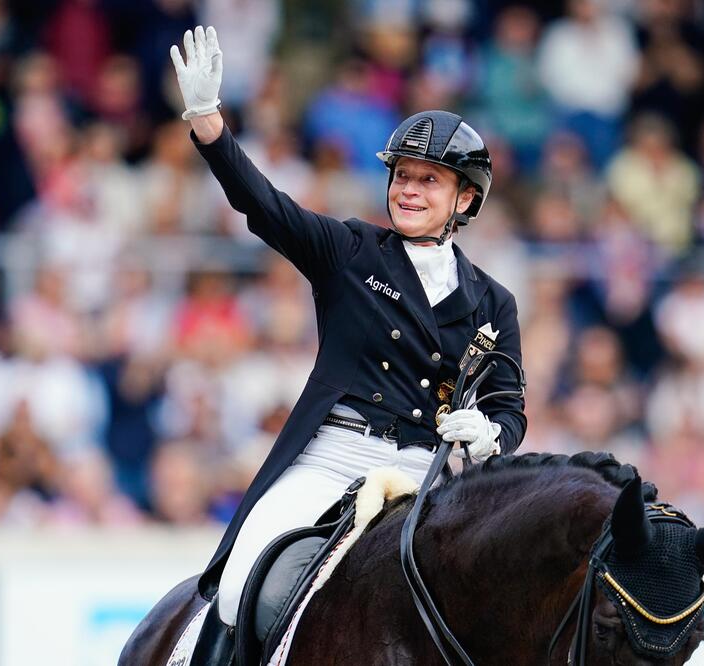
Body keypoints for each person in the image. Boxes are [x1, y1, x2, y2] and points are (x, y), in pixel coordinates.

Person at [171, 26, 527, 663]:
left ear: (465, 199)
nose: (408, 190)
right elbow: (265, 206)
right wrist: (209, 124)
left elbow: (510, 407)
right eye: (402, 177)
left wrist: (491, 434)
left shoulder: (491, 301)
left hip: (427, 479)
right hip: (332, 457)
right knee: (240, 586)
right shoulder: (350, 251)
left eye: (429, 181)